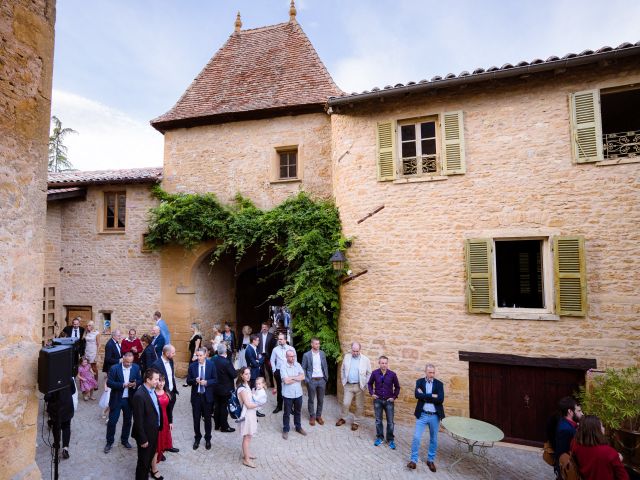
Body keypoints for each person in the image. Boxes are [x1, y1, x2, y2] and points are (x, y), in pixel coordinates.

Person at [407, 363, 445, 472]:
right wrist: (432, 395)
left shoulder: (439, 384)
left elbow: (440, 399)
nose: (432, 374)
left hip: (434, 416)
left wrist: (425, 396)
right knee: (416, 437)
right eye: (430, 372)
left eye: (433, 372)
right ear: (425, 372)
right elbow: (417, 395)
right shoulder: (419, 382)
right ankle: (413, 461)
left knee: (433, 439)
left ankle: (430, 460)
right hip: (422, 414)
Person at [104, 351, 142, 454]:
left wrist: (134, 384)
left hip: (129, 400)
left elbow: (140, 380)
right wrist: (122, 385)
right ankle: (109, 442)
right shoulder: (114, 368)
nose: (129, 364)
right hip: (117, 399)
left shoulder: (136, 367)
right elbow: (109, 383)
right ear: (123, 359)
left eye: (130, 362)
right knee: (112, 422)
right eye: (126, 362)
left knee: (128, 421)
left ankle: (124, 440)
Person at [571, 415, 629, 480]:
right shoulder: (608, 452)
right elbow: (624, 477)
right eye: (602, 426)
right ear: (596, 430)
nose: (604, 428)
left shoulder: (574, 443)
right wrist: (618, 460)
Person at [132, 368, 161, 480]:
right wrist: (143, 439)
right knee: (143, 462)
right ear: (148, 380)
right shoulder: (140, 395)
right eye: (156, 379)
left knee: (149, 459)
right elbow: (138, 420)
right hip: (146, 434)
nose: (158, 382)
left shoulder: (152, 390)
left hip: (154, 431)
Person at [336, 342, 372, 431]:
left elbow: (369, 373)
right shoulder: (347, 357)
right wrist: (344, 381)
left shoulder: (365, 360)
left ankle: (356, 422)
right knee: (345, 403)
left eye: (357, 351)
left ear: (360, 350)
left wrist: (365, 384)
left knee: (359, 405)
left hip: (360, 386)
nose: (355, 353)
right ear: (351, 349)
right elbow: (343, 369)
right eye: (354, 351)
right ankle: (343, 418)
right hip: (348, 385)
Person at [186, 347, 217, 450]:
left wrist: (207, 382)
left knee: (207, 419)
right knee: (196, 419)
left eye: (200, 355)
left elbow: (216, 380)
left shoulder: (211, 365)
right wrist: (195, 380)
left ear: (205, 355)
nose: (198, 357)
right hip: (196, 397)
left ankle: (208, 438)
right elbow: (188, 381)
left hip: (207, 397)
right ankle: (197, 438)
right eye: (197, 355)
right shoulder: (192, 366)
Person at [368, 355, 400, 449]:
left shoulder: (392, 374)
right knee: (378, 421)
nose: (384, 365)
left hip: (388, 401)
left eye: (386, 363)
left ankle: (390, 439)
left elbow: (397, 387)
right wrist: (371, 393)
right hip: (378, 400)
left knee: (390, 422)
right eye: (382, 363)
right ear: (379, 363)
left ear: (387, 364)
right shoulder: (374, 373)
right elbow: (369, 384)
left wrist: (394, 397)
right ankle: (380, 437)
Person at [151, 344, 179, 452]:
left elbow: (171, 376)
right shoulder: (156, 364)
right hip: (162, 396)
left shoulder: (171, 361)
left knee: (168, 420)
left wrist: (173, 391)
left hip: (171, 393)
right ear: (167, 353)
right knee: (161, 421)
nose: (174, 354)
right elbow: (155, 381)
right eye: (173, 353)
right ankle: (159, 448)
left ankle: (167, 444)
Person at [45, 377, 75, 460]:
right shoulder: (69, 378)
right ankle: (65, 448)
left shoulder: (51, 380)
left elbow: (47, 397)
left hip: (56, 409)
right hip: (67, 407)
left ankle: (57, 445)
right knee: (66, 427)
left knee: (56, 426)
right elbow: (73, 391)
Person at [301, 337, 329, 426]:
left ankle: (318, 416)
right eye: (316, 344)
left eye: (319, 343)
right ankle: (312, 416)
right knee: (311, 399)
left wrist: (325, 378)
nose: (318, 345)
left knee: (321, 399)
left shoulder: (322, 354)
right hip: (311, 380)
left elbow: (325, 366)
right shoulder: (306, 355)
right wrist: (307, 380)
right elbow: (303, 368)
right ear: (312, 344)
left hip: (321, 380)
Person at [152, 374, 174, 479]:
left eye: (163, 381)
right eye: (159, 381)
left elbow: (169, 409)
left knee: (162, 443)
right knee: (156, 446)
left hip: (165, 421)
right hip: (156, 422)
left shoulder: (167, 392)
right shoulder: (152, 393)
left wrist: (170, 422)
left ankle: (157, 458)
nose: (161, 383)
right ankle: (154, 469)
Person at [280, 349, 306, 439]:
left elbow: (303, 376)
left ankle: (298, 427)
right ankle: (286, 429)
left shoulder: (297, 365)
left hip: (298, 393)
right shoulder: (283, 366)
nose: (293, 358)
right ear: (286, 357)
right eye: (290, 356)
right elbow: (286, 381)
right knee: (287, 413)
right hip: (288, 394)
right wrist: (297, 378)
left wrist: (292, 378)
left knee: (298, 411)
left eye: (293, 356)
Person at [236, 367, 259, 468]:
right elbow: (248, 405)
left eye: (249, 373)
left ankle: (247, 454)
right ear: (241, 375)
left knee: (249, 436)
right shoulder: (242, 388)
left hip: (250, 414)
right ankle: (246, 459)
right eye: (246, 374)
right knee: (247, 437)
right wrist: (260, 403)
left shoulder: (246, 385)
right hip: (246, 415)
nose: (248, 375)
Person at [212, 343, 236, 433]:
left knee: (217, 406)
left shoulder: (213, 360)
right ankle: (224, 426)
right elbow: (234, 374)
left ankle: (217, 425)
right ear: (225, 351)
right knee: (223, 407)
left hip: (215, 387)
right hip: (225, 388)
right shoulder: (226, 362)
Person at [270, 332, 296, 414]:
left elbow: (295, 360)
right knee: (280, 389)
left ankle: (289, 407)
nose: (279, 340)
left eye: (281, 339)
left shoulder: (291, 349)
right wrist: (274, 370)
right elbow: (272, 360)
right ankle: (279, 406)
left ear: (285, 340)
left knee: (289, 389)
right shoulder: (275, 349)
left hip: (289, 372)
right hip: (278, 371)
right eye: (279, 339)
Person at [555, 396, 583, 467]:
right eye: (579, 411)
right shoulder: (566, 430)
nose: (582, 413)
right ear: (570, 411)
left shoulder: (567, 423)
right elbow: (563, 455)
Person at [257, 322, 274, 386]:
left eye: (265, 327)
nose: (264, 328)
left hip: (268, 355)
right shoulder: (258, 335)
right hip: (260, 355)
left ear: (268, 328)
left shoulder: (271, 336)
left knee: (269, 370)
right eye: (263, 327)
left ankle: (272, 383)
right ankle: (263, 384)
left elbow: (273, 346)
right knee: (261, 370)